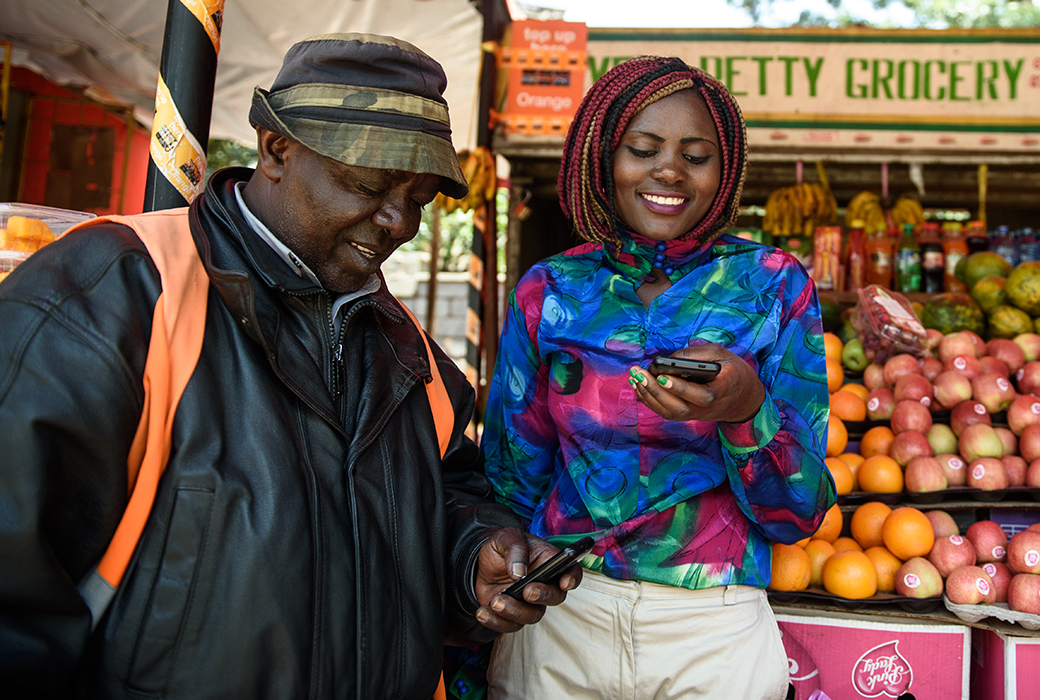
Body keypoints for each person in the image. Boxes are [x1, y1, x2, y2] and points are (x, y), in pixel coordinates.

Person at [0, 33, 579, 699]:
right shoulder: (112, 293)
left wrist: (475, 558)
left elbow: (441, 502)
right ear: (275, 150)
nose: (397, 220)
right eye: (368, 183)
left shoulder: (414, 359)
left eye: (419, 197)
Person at [480, 56, 836, 699]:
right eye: (642, 149)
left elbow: (800, 513)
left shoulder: (774, 285)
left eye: (696, 156)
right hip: (564, 615)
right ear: (601, 159)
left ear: (724, 173)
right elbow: (511, 474)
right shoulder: (550, 290)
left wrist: (746, 408)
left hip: (715, 627)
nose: (669, 170)